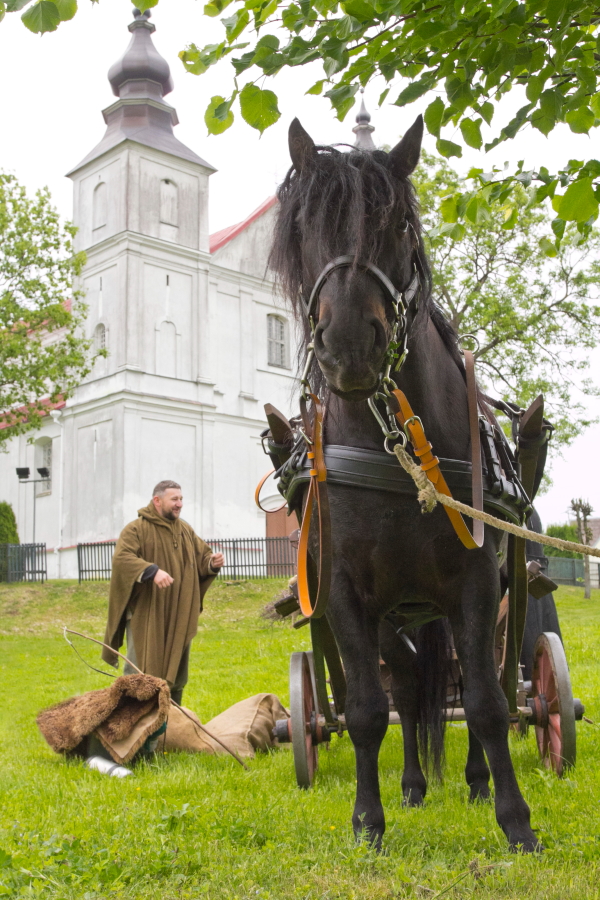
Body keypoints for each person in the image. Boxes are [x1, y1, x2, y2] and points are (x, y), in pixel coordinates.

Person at [102, 480, 224, 705]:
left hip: (179, 613)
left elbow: (201, 558)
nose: (179, 504)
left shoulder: (185, 530)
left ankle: (171, 723)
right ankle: (134, 728)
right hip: (148, 614)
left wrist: (211, 563)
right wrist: (151, 571)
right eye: (174, 499)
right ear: (157, 501)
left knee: (177, 672)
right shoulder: (136, 529)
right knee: (140, 671)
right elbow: (122, 558)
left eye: (181, 499)